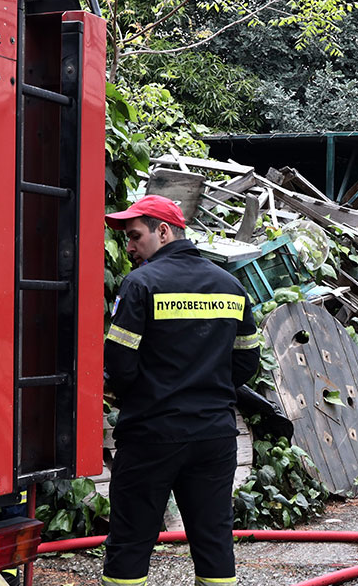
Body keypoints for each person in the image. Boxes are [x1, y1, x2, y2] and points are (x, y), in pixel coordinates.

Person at [102, 194, 260, 586]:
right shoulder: (230, 285)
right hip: (214, 436)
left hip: (151, 436)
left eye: (136, 236)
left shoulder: (140, 285)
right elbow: (247, 362)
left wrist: (151, 394)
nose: (130, 247)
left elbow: (119, 366)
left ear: (164, 230)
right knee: (213, 541)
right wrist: (206, 388)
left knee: (131, 541)